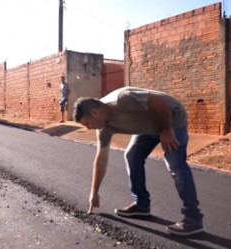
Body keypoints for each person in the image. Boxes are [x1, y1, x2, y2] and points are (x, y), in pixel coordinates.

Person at [72, 86, 204, 236]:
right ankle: (141, 205)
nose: (88, 128)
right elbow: (101, 159)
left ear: (95, 113)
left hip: (171, 119)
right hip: (147, 128)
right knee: (132, 155)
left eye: (87, 123)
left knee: (175, 165)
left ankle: (193, 219)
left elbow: (160, 102)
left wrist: (167, 130)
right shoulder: (104, 130)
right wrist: (94, 193)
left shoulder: (122, 99)